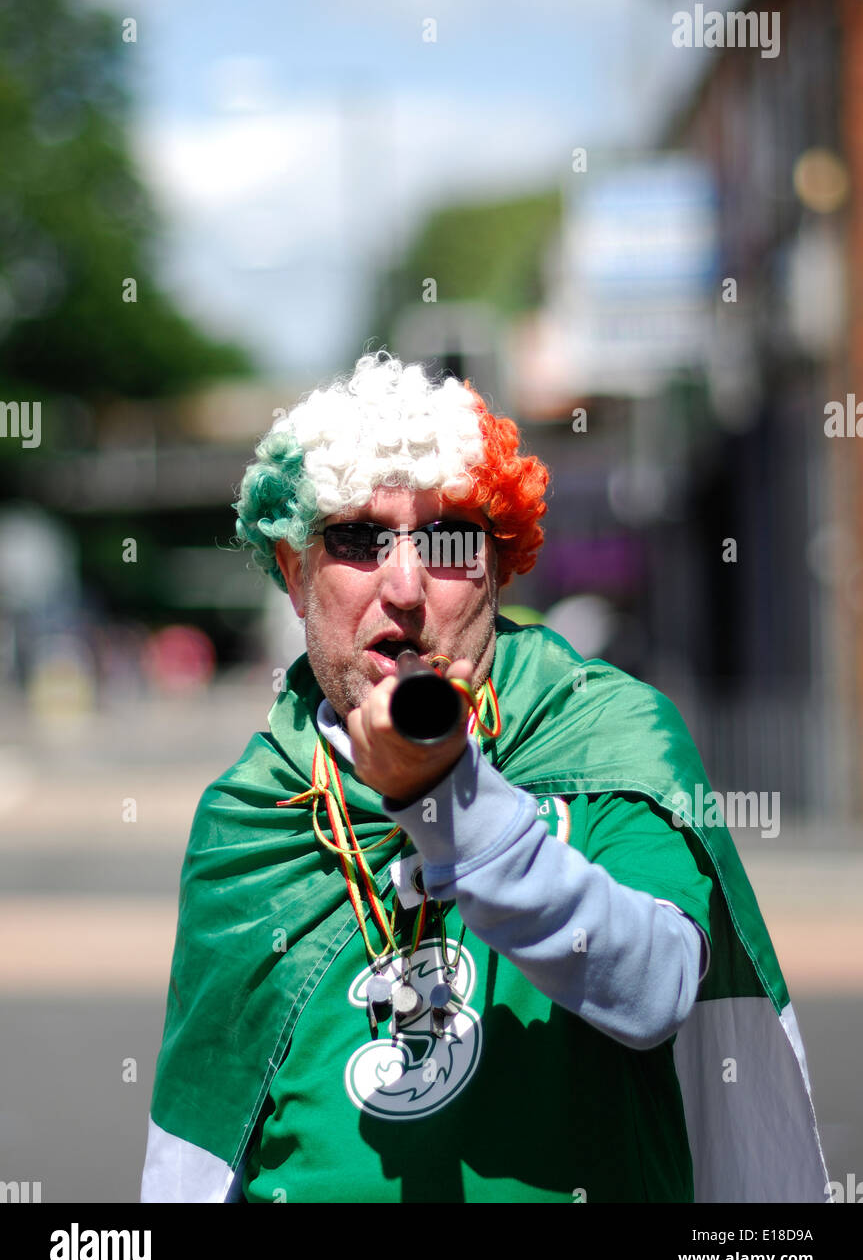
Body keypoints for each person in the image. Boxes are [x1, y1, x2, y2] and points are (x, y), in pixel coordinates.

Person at [141, 351, 829, 1203]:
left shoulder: (604, 732)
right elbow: (187, 1161)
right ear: (293, 573)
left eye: (450, 541)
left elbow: (652, 989)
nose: (404, 585)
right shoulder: (251, 814)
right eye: (357, 538)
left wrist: (447, 801)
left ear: (500, 568)